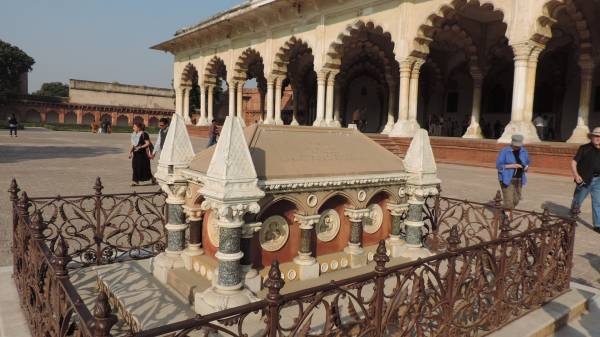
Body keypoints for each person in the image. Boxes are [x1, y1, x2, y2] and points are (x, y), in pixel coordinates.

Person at [571, 127, 600, 233]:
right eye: (596, 136)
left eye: (599, 136)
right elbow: (573, 162)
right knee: (578, 200)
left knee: (598, 202)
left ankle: (597, 225)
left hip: (598, 181)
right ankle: (572, 216)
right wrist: (576, 175)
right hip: (585, 179)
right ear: (591, 137)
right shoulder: (584, 148)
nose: (598, 138)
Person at [496, 134, 530, 212]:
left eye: (519, 146)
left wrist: (526, 167)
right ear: (512, 143)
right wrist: (513, 165)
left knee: (516, 200)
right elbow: (499, 165)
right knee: (508, 201)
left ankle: (506, 211)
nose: (517, 147)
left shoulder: (524, 151)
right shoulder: (505, 151)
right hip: (507, 178)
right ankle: (506, 218)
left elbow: (527, 162)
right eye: (516, 146)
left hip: (519, 179)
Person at [129, 122, 156, 186]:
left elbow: (148, 143)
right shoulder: (133, 134)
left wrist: (140, 147)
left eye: (134, 127)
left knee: (145, 168)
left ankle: (152, 178)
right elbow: (132, 144)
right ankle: (135, 181)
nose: (133, 128)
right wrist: (130, 152)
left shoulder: (144, 134)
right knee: (135, 167)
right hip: (136, 153)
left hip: (143, 154)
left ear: (139, 128)